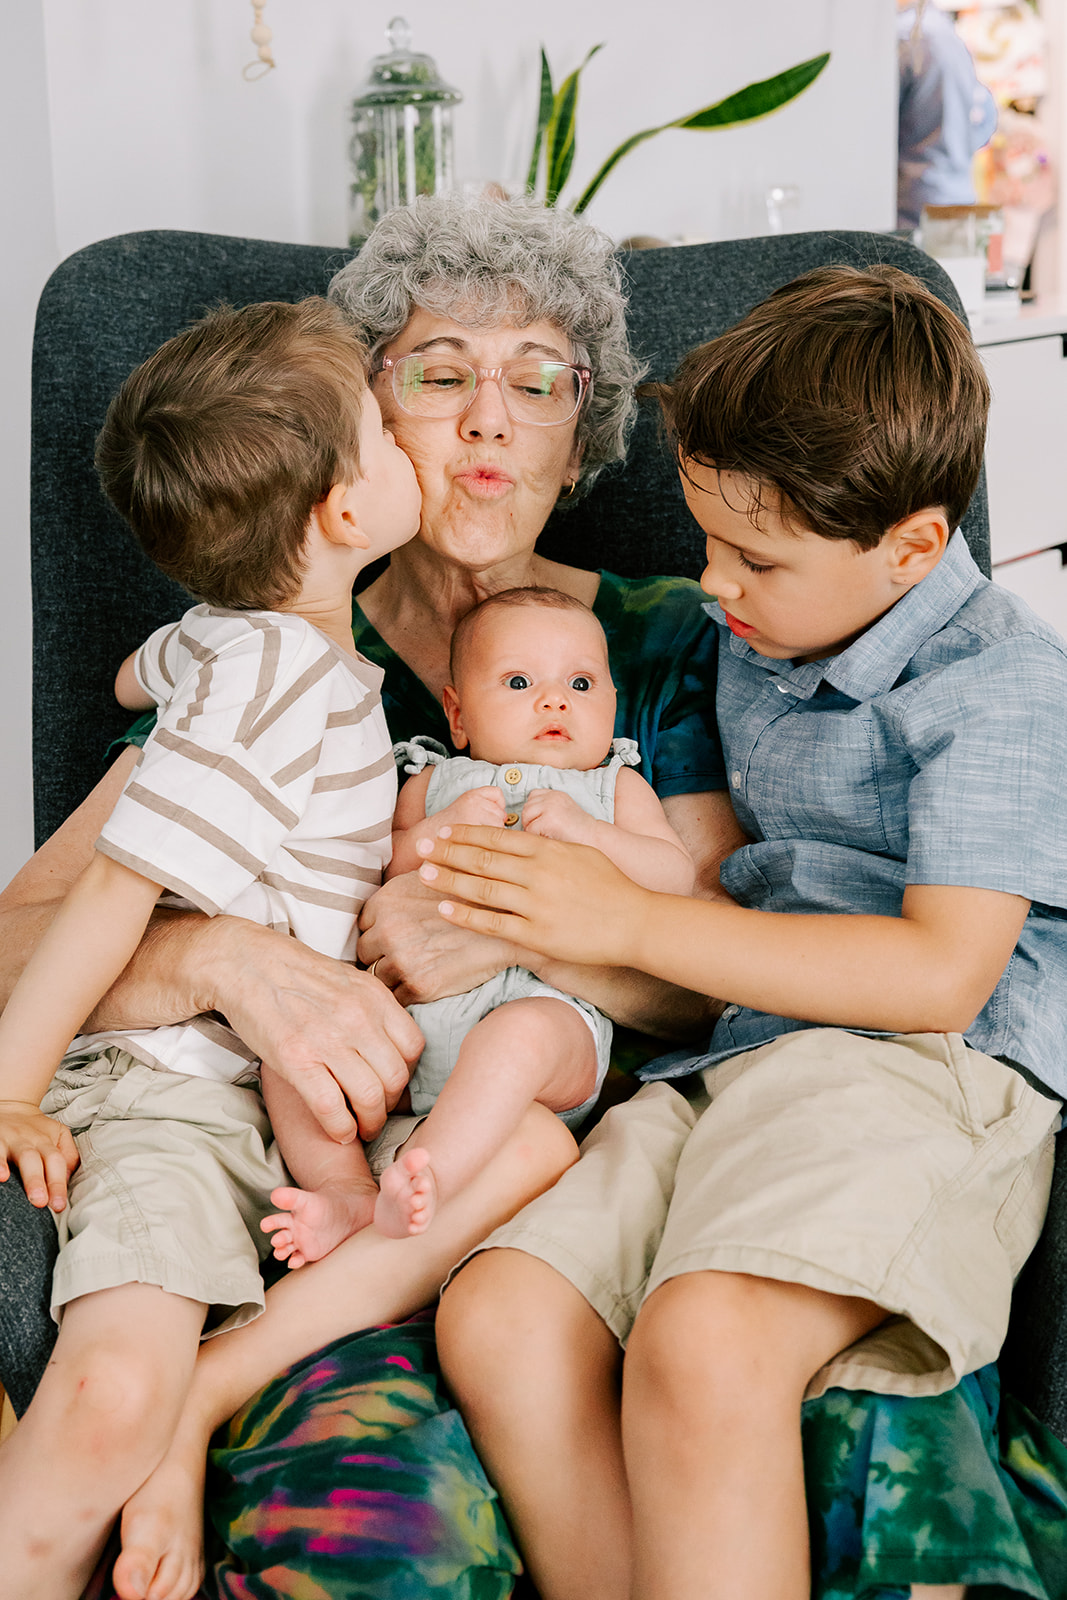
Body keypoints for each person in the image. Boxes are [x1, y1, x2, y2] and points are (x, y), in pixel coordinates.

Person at [0, 197, 1056, 1600]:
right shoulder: (270, 644)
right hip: (315, 1191)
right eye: (437, 376)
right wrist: (231, 964)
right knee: (379, 1538)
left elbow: (745, 962)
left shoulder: (694, 630)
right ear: (357, 432)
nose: (488, 421)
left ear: (588, 429)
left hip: (582, 1140)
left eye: (538, 382)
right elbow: (30, 937)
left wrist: (517, 926)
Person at [426, 264, 1067, 1600]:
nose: (709, 584)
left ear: (908, 545)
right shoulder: (765, 621)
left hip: (921, 1067)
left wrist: (631, 922)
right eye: (707, 541)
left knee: (704, 1340)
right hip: (735, 1064)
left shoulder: (996, 685)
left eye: (751, 557)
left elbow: (940, 975)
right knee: (500, 1316)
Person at [0, 294, 489, 1595]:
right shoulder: (277, 675)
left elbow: (134, 678)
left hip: (229, 1091)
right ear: (342, 512)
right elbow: (112, 894)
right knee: (111, 1393)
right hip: (171, 1089)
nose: (415, 448)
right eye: (389, 436)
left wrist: (183, 673)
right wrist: (8, 1084)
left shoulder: (242, 644)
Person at [363, 587, 691, 1240]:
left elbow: (674, 877)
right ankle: (341, 1186)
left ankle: (431, 1174)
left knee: (517, 1034)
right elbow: (378, 872)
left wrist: (592, 834)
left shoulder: (612, 788)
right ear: (457, 715)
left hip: (554, 1031)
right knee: (327, 1030)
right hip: (414, 1033)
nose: (555, 700)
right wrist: (438, 831)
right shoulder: (432, 785)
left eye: (580, 682)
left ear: (612, 705)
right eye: (518, 681)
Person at [898, 0, 998, 231]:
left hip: (914, 210)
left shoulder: (908, 36)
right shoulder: (947, 34)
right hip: (956, 202)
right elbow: (984, 122)